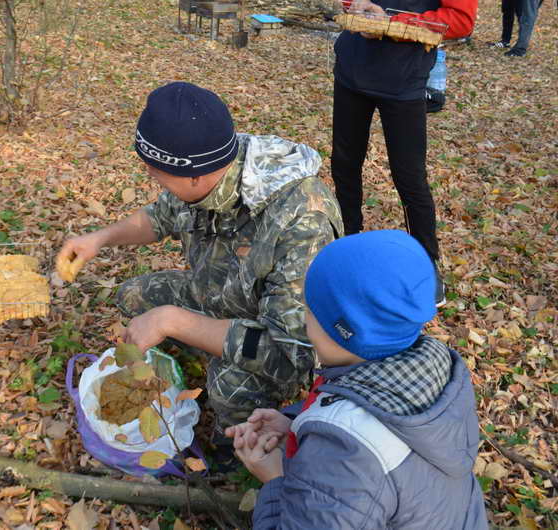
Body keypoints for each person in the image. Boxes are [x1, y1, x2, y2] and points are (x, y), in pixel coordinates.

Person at [57, 81, 343, 465]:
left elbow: (290, 352)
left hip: (273, 343)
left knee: (229, 386)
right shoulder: (208, 163)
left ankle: (236, 456)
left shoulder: (301, 219)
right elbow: (159, 217)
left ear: (194, 176)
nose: (149, 175)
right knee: (134, 296)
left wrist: (173, 321)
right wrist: (100, 238)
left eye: (156, 171)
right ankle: (188, 368)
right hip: (220, 297)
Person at [226, 230, 488, 529]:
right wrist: (298, 424)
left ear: (341, 332)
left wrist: (276, 480)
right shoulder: (435, 370)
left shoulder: (346, 458)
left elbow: (354, 453)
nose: (304, 321)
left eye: (310, 312)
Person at [330, 0, 477, 306]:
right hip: (353, 68)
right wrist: (355, 9)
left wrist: (391, 22)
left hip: (404, 78)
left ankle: (425, 261)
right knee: (345, 161)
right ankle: (347, 240)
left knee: (409, 174)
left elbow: (460, 20)